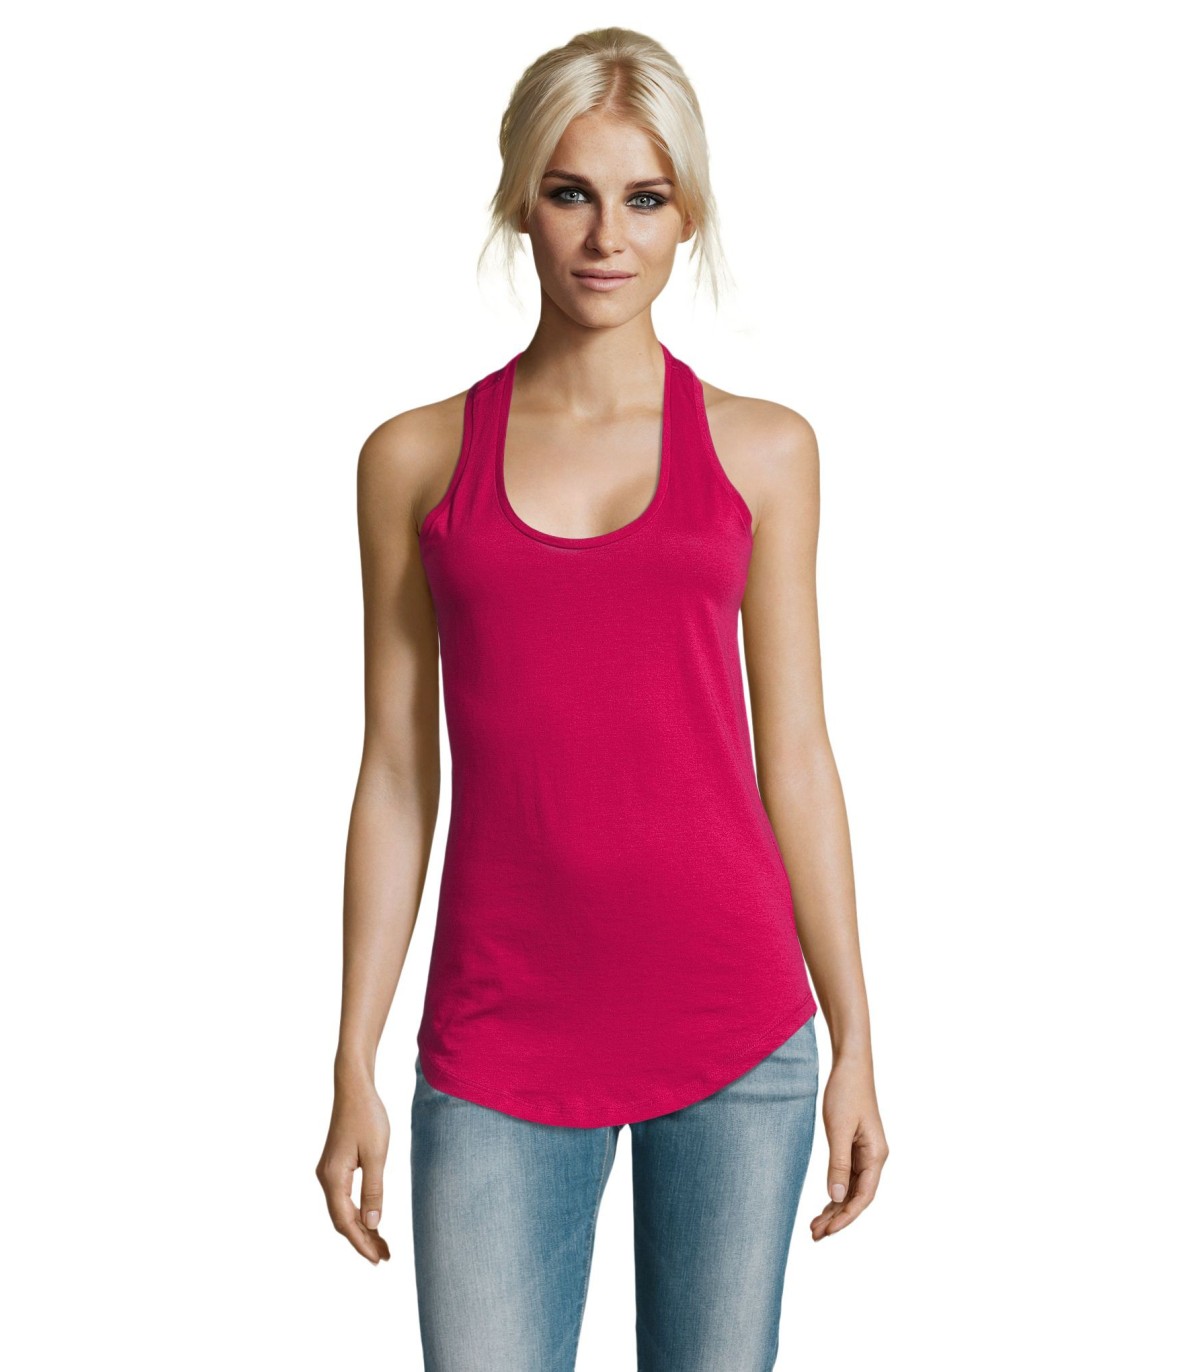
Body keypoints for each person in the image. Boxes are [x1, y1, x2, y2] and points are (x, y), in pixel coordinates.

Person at [316, 25, 888, 1372]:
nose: (606, 237)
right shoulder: (414, 459)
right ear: (523, 198)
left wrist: (858, 1032)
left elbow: (797, 756)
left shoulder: (764, 451)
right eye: (572, 192)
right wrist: (352, 1054)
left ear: (689, 214)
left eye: (645, 197)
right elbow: (395, 772)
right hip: (499, 1034)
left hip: (733, 1027)